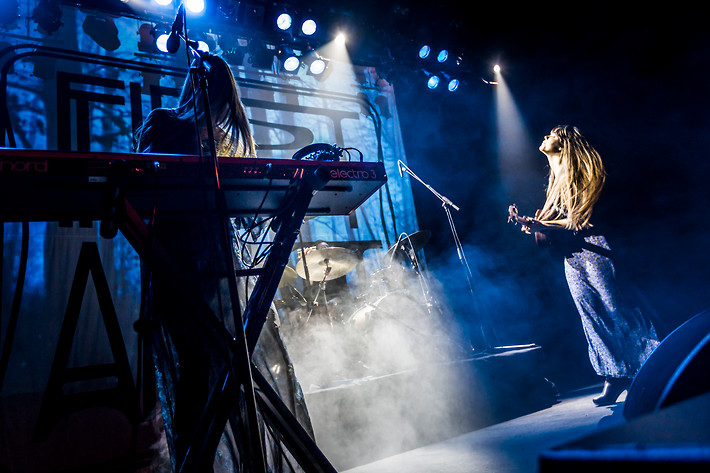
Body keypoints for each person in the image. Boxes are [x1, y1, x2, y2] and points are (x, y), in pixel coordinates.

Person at [134, 53, 312, 471]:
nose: (220, 105)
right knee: (197, 370)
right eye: (215, 94)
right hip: (177, 265)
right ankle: (195, 464)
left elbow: (243, 208)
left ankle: (245, 462)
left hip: (219, 268)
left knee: (238, 369)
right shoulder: (165, 123)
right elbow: (144, 188)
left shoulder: (225, 139)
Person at [508, 125, 660, 406]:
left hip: (596, 250)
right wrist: (534, 226)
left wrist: (541, 224)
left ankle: (653, 367)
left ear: (564, 143)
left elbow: (581, 222)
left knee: (616, 310)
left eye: (552, 133)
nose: (545, 136)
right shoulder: (555, 184)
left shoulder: (584, 177)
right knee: (589, 314)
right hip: (572, 256)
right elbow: (555, 226)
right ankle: (615, 375)